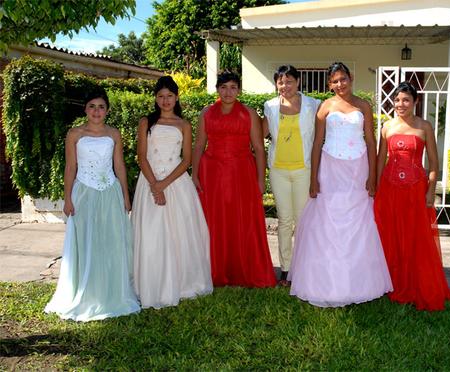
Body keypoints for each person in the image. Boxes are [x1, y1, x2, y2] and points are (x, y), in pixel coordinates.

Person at [288, 62, 392, 307]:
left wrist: (373, 176)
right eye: (334, 81)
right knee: (328, 222)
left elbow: (370, 142)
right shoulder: (325, 107)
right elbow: (316, 144)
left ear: (350, 78)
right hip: (331, 168)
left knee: (359, 222)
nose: (340, 84)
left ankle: (358, 283)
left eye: (343, 79)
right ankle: (326, 283)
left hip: (358, 170)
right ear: (329, 84)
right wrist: (314, 178)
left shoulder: (364, 106)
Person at [44, 89, 140, 321]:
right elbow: (70, 168)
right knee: (86, 240)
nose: (96, 111)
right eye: (92, 106)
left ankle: (110, 291)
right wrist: (68, 198)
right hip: (84, 193)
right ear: (85, 109)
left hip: (110, 193)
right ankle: (86, 291)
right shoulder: (75, 134)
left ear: (107, 110)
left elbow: (119, 166)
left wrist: (126, 195)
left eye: (101, 107)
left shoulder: (114, 133)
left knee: (110, 241)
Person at [132, 76, 213, 309]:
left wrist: (163, 184)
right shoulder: (146, 122)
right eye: (160, 96)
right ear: (155, 99)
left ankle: (183, 282)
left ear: (176, 97)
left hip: (176, 183)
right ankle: (150, 283)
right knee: (151, 233)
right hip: (149, 180)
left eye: (169, 96)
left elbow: (187, 159)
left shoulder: (184, 125)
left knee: (181, 233)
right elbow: (141, 156)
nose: (165, 100)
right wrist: (153, 184)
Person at [192, 72, 276, 287]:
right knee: (215, 220)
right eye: (223, 87)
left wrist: (260, 180)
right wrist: (194, 174)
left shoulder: (248, 113)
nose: (228, 92)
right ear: (217, 89)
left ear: (239, 90)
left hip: (242, 172)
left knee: (243, 219)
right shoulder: (206, 113)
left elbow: (258, 148)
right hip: (212, 172)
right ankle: (215, 270)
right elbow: (199, 145)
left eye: (232, 87)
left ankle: (244, 269)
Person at [374, 81, 450, 311]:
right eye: (397, 100)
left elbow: (434, 163)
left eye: (406, 100)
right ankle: (390, 285)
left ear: (415, 102)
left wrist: (430, 191)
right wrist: (377, 189)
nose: (400, 104)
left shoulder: (425, 126)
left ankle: (416, 286)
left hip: (415, 190)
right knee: (391, 237)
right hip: (389, 190)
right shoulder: (386, 127)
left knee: (416, 239)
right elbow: (381, 161)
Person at [262, 65, 321, 286]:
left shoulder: (313, 105)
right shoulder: (269, 106)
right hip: (278, 170)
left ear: (298, 82)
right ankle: (286, 270)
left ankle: (304, 267)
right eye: (280, 81)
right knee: (284, 221)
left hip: (303, 170)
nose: (284, 86)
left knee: (303, 220)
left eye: (289, 81)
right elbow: (258, 135)